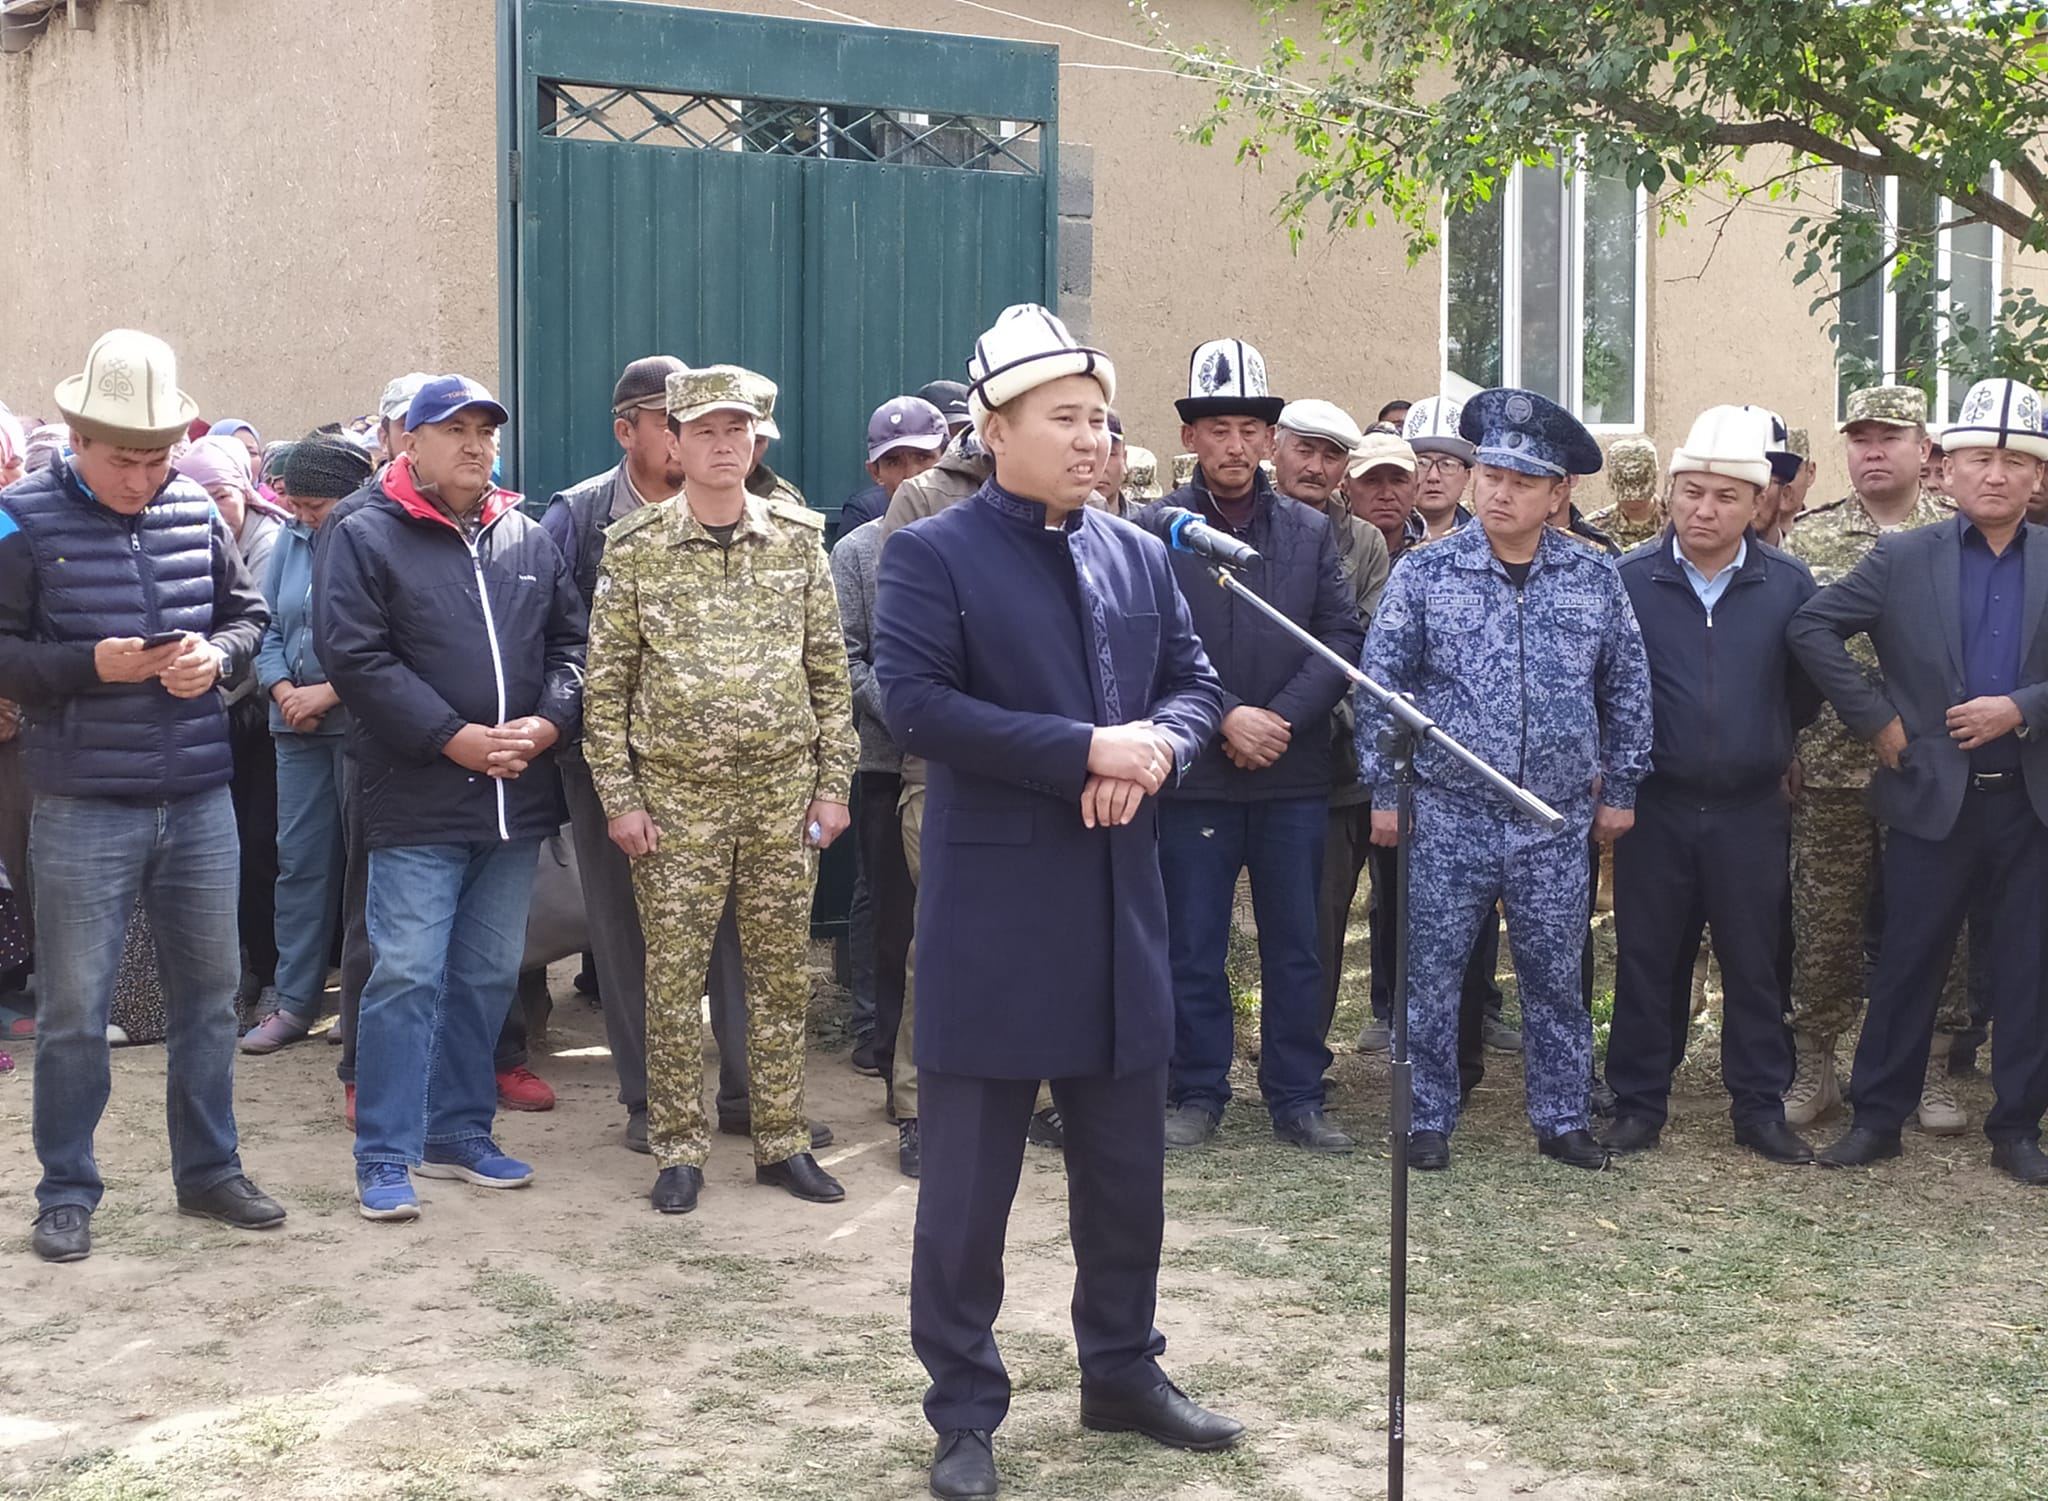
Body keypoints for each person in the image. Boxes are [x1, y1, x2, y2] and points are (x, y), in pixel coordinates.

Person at [873, 304, 1236, 1501]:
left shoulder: (1136, 551)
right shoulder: (932, 551)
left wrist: (1158, 750)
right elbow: (915, 704)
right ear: (994, 430)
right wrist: (1084, 747)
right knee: (967, 1193)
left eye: (1101, 420)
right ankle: (963, 1411)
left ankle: (1121, 1371)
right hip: (993, 913)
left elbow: (1191, 685)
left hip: (1116, 906)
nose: (1094, 440)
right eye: (1065, 418)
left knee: (1125, 1172)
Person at [0, 329, 283, 1263]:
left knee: (210, 999)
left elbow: (248, 616)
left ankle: (209, 1171)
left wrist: (219, 657)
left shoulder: (196, 508)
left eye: (158, 457)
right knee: (75, 1011)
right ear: (77, 439)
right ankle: (65, 1191)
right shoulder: (15, 519)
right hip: (80, 803)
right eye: (123, 459)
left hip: (198, 796)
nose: (143, 477)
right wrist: (93, 665)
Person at [582, 366, 856, 1215]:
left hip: (782, 797)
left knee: (780, 976)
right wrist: (621, 797)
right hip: (676, 803)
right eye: (704, 430)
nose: (723, 444)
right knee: (673, 980)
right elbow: (605, 689)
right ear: (674, 440)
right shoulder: (635, 548)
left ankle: (781, 1139)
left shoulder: (799, 541)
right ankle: (677, 1147)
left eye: (738, 430)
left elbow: (829, 675)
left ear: (758, 440)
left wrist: (833, 785)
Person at [1360, 387, 1654, 1172]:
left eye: (1523, 481)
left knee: (1555, 976)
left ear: (1558, 493)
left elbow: (1627, 686)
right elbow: (1381, 687)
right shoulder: (1425, 573)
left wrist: (1623, 787)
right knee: (1431, 974)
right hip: (1448, 812)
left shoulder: (1594, 576)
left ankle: (1562, 1117)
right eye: (1491, 474)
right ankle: (1426, 1117)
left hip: (1551, 819)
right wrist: (1385, 791)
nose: (1500, 492)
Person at [316, 375, 586, 1223]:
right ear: (410, 440)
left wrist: (548, 722)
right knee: (404, 974)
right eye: (455, 429)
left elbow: (574, 647)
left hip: (514, 800)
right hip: (417, 798)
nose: (476, 445)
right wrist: (450, 736)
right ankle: (384, 1152)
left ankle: (458, 1131)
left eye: (486, 431)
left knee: (485, 973)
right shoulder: (363, 533)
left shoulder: (526, 535)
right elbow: (356, 658)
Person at [1788, 377, 2048, 1184]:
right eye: (1980, 460)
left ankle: (2016, 1127)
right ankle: (1877, 1118)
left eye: (2014, 462)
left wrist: (2022, 706)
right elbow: (1812, 626)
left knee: (2029, 968)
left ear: (2038, 476)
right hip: (1933, 797)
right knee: (1907, 961)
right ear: (1949, 468)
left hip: (2032, 801)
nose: (1995, 475)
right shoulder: (1904, 557)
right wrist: (1876, 717)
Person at [1147, 348, 1364, 1154]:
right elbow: (1144, 644)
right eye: (1217, 429)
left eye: (1249, 429)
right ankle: (1196, 1088)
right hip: (1195, 772)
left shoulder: (1309, 531)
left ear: (1271, 440)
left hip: (1291, 771)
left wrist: (1279, 719)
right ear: (1190, 437)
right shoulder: (1156, 530)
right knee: (1193, 942)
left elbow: (1340, 636)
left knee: (1297, 945)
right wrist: (1226, 716)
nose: (1234, 445)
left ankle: (1296, 1094)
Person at [1606, 407, 1819, 1163]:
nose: (1705, 509)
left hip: (1750, 809)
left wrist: (1760, 744)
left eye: (1727, 496)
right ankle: (1637, 1102)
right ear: (1670, 492)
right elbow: (1605, 686)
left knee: (1755, 963)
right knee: (1647, 958)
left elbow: (1803, 690)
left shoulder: (1788, 583)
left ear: (1758, 503)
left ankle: (1759, 1107)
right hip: (1656, 805)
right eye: (1692, 491)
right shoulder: (1629, 579)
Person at [1780, 385, 1969, 1130]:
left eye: (1889, 437)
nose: (1874, 451)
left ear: (1924, 450)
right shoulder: (1808, 539)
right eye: (1860, 439)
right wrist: (1785, 744)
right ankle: (1816, 1065)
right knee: (1823, 921)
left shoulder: (1957, 533)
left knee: (1936, 920)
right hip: (1829, 764)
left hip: (1930, 764)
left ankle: (1931, 1069)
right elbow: (1784, 654)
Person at [239, 434, 377, 1051]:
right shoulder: (290, 541)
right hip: (293, 727)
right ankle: (294, 1002)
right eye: (293, 505)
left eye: (312, 506)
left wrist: (329, 693)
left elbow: (386, 638)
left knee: (363, 869)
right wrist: (282, 689)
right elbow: (265, 626)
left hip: (358, 727)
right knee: (299, 863)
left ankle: (358, 1002)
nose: (299, 516)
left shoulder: (372, 536)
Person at [1270, 399, 1390, 1044]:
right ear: (1275, 448)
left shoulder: (1364, 543)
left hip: (1332, 764)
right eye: (1305, 450)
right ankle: (1195, 1074)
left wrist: (1291, 713)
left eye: (1332, 455)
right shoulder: (1237, 524)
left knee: (1317, 925)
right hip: (1228, 745)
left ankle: (1300, 1062)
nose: (1316, 466)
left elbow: (1361, 647)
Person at [175, 433, 285, 1020]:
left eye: (222, 494)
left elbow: (257, 630)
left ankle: (272, 973)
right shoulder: (184, 537)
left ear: (245, 489)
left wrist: (203, 682)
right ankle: (238, 972)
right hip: (206, 716)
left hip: (261, 720)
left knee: (263, 847)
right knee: (222, 853)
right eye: (201, 496)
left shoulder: (270, 542)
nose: (215, 509)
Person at [832, 507, 916, 1173]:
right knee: (893, 920)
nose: (913, 468)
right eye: (898, 461)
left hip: (967, 765)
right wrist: (905, 710)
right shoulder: (858, 551)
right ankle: (889, 1057)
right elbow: (846, 655)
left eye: (923, 457)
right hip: (887, 762)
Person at [1403, 396, 1478, 543]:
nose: (1433, 477)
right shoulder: (1380, 537)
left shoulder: (1484, 540)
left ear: (1467, 476)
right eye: (1422, 463)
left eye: (1447, 464)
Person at [1587, 438, 1664, 550]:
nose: (1634, 501)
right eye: (1626, 497)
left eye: (1641, 497)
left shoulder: (1676, 523)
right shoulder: (1594, 528)